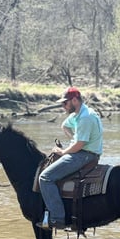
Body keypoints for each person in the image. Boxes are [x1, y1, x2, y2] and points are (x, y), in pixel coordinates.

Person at [37, 86, 103, 230]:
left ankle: (57, 218)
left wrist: (64, 151)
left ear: (74, 100)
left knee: (45, 178)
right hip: (81, 151)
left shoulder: (86, 117)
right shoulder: (78, 114)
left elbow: (80, 144)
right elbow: (64, 126)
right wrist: (73, 138)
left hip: (84, 155)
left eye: (65, 103)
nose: (63, 106)